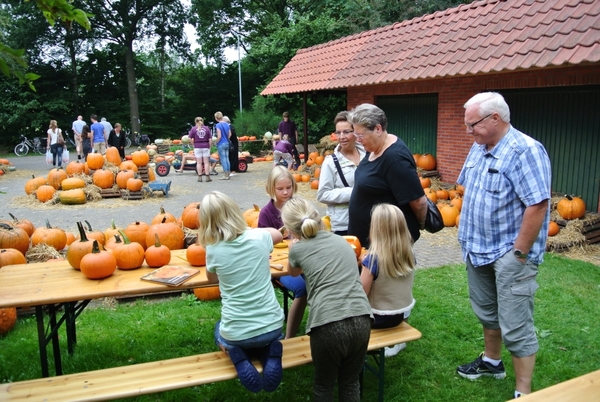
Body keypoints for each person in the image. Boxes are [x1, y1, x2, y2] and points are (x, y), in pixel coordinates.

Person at [456, 92, 551, 400]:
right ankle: (492, 362)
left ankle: (523, 393)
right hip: (477, 248)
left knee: (516, 324)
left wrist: (519, 254)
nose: (468, 132)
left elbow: (537, 204)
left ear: (495, 119)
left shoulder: (525, 151)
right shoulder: (479, 146)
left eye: (473, 125)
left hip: (508, 254)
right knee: (487, 312)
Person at [281, 197, 373, 401]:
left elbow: (293, 273)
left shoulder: (297, 249)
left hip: (327, 323)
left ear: (290, 230)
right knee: (350, 383)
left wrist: (292, 248)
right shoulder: (341, 241)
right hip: (362, 317)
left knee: (323, 387)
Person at [198, 191, 285, 394]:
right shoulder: (260, 236)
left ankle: (237, 356)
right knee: (261, 337)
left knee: (219, 328)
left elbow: (211, 280)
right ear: (235, 212)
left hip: (236, 333)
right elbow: (279, 234)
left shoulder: (213, 250)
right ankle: (269, 353)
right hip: (272, 325)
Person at [347, 103, 428, 248]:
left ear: (378, 129)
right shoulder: (373, 148)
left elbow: (419, 202)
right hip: (367, 240)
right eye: (355, 134)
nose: (357, 140)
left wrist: (420, 224)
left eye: (361, 135)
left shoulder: (395, 159)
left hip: (386, 245)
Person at [257, 166, 307, 339]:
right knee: (302, 289)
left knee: (322, 281)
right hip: (280, 265)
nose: (285, 192)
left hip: (303, 258)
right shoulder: (266, 213)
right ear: (271, 189)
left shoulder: (300, 207)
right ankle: (289, 337)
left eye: (289, 187)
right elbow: (262, 244)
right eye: (280, 189)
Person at [360, 203, 415, 357]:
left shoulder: (372, 260)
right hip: (399, 315)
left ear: (376, 229)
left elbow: (361, 293)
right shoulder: (409, 254)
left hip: (376, 319)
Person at [317, 111, 366, 235]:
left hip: (368, 220)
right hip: (343, 224)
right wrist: (354, 192)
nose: (341, 137)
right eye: (338, 132)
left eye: (346, 132)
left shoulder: (368, 156)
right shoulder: (330, 162)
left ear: (355, 131)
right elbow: (323, 194)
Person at [179, 117, 212, 182]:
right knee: (206, 162)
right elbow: (210, 139)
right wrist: (209, 146)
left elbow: (189, 138)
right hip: (205, 146)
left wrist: (193, 144)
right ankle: (207, 176)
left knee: (199, 163)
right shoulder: (207, 128)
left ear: (195, 122)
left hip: (197, 146)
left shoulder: (193, 129)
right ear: (202, 121)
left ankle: (199, 177)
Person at [214, 111, 232, 180]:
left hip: (221, 143)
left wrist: (216, 142)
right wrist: (227, 139)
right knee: (227, 158)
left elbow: (219, 136)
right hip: (227, 143)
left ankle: (225, 175)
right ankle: (228, 173)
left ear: (216, 118)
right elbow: (230, 134)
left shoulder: (218, 125)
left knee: (223, 159)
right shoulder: (227, 124)